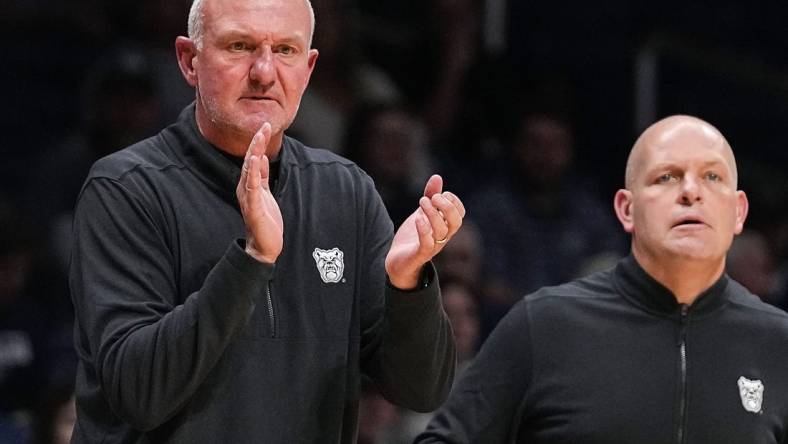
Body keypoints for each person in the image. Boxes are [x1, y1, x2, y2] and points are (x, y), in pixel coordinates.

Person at [68, 0, 464, 442]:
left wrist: (408, 284)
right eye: (239, 46)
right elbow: (138, 394)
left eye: (286, 51)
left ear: (309, 67)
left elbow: (421, 389)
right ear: (189, 60)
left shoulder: (345, 192)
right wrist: (252, 259)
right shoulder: (125, 190)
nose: (263, 72)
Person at [416, 115, 788, 443]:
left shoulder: (779, 343)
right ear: (626, 209)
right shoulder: (546, 324)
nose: (691, 192)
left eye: (712, 177)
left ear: (738, 212)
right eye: (666, 176)